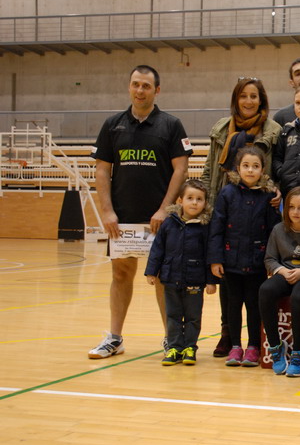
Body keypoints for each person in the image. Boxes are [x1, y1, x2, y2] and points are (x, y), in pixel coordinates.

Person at [88, 64, 192, 359]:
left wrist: (165, 210)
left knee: (161, 277)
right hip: (122, 219)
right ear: (129, 87)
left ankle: (171, 339)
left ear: (157, 90)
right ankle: (114, 338)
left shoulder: (171, 125)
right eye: (135, 84)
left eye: (146, 85)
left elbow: (181, 169)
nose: (140, 90)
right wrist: (107, 212)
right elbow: (102, 170)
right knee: (121, 274)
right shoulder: (112, 125)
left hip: (160, 220)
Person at [200, 77, 282, 358]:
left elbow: (278, 168)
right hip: (225, 205)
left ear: (262, 100)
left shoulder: (274, 130)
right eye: (243, 96)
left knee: (252, 291)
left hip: (259, 205)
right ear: (236, 99)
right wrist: (204, 202)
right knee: (228, 285)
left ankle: (254, 342)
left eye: (254, 96)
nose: (248, 101)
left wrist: (276, 190)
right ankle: (228, 335)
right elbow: (210, 169)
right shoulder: (221, 128)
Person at [208, 146, 280, 368]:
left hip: (257, 263)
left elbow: (273, 231)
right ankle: (235, 346)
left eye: (255, 166)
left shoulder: (268, 196)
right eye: (246, 166)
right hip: (230, 262)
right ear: (237, 168)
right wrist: (216, 259)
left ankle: (253, 346)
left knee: (253, 305)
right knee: (233, 305)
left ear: (262, 170)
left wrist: (271, 261)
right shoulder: (227, 193)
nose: (250, 170)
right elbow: (217, 227)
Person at [144, 179, 217, 366]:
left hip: (195, 281)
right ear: (180, 201)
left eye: (199, 199)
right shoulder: (169, 224)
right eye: (190, 198)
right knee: (173, 316)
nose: (194, 202)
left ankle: (190, 347)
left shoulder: (205, 227)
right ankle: (174, 347)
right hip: (170, 279)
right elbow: (157, 249)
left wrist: (211, 281)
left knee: (193, 317)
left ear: (205, 203)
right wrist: (151, 272)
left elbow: (211, 255)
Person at [258, 187, 300, 378]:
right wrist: (283, 271)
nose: (295, 212)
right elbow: (269, 259)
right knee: (265, 290)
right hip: (285, 273)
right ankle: (276, 347)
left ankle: (298, 354)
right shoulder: (279, 229)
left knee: (299, 297)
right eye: (291, 207)